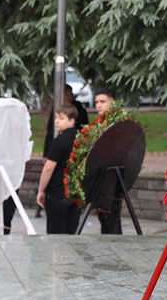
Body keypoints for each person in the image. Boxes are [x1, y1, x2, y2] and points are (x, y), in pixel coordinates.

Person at [36, 104, 82, 233]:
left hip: (57, 193)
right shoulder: (81, 140)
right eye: (56, 117)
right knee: (70, 234)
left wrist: (41, 190)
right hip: (75, 193)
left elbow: (48, 168)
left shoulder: (59, 142)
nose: (56, 121)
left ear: (71, 121)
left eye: (61, 118)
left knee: (56, 237)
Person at [89, 87, 123, 234]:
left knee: (111, 219)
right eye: (96, 102)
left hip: (112, 177)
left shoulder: (118, 123)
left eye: (103, 101)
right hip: (100, 176)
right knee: (103, 217)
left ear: (112, 102)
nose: (99, 105)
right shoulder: (100, 123)